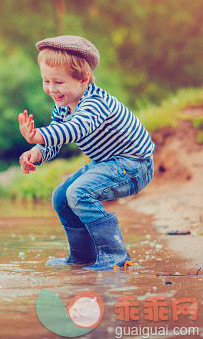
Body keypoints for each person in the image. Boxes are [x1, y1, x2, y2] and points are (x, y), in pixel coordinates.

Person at [18, 35, 155, 271]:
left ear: (83, 79)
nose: (51, 89)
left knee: (78, 193)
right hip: (108, 163)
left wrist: (38, 135)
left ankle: (114, 254)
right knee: (61, 197)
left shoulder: (95, 103)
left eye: (58, 82)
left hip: (135, 165)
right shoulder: (63, 104)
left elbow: (75, 129)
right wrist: (37, 152)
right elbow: (55, 138)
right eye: (46, 80)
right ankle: (83, 255)